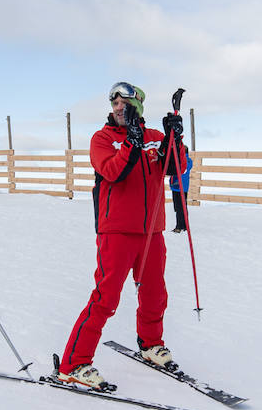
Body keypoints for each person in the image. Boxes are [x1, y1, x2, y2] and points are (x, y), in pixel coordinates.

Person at [56, 82, 187, 389]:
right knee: (106, 298)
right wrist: (130, 141)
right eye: (115, 102)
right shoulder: (102, 139)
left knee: (155, 294)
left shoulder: (154, 138)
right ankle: (73, 364)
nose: (118, 107)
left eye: (124, 103)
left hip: (152, 231)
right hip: (116, 231)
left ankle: (151, 344)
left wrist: (174, 140)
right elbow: (113, 171)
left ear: (138, 107)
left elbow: (178, 167)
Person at [169, 151, 192, 232]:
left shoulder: (182, 160)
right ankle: (184, 225)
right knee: (182, 206)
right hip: (181, 187)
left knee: (179, 207)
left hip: (178, 186)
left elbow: (179, 170)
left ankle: (179, 226)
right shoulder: (188, 160)